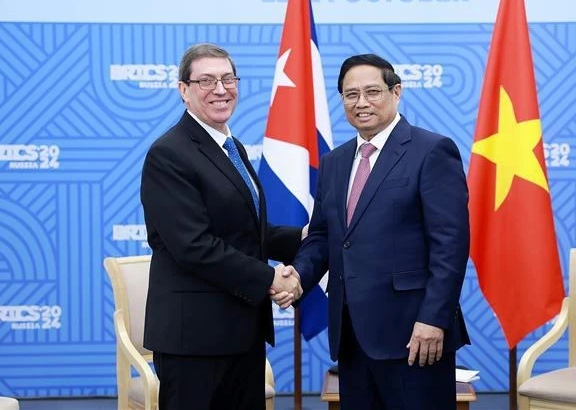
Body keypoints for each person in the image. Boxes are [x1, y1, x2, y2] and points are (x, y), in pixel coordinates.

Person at [284, 54, 470, 409]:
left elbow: (450, 246)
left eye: (372, 91)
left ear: (396, 91)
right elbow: (324, 236)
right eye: (350, 94)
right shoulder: (334, 161)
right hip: (353, 335)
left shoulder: (432, 150)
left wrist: (433, 318)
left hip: (414, 336)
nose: (361, 102)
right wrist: (297, 277)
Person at [140, 43, 303, 410]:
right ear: (183, 90)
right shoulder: (170, 153)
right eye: (206, 80)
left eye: (228, 79)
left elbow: (246, 230)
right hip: (195, 339)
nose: (220, 89)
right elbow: (194, 245)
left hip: (241, 331)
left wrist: (305, 238)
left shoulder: (231, 146)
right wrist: (269, 278)